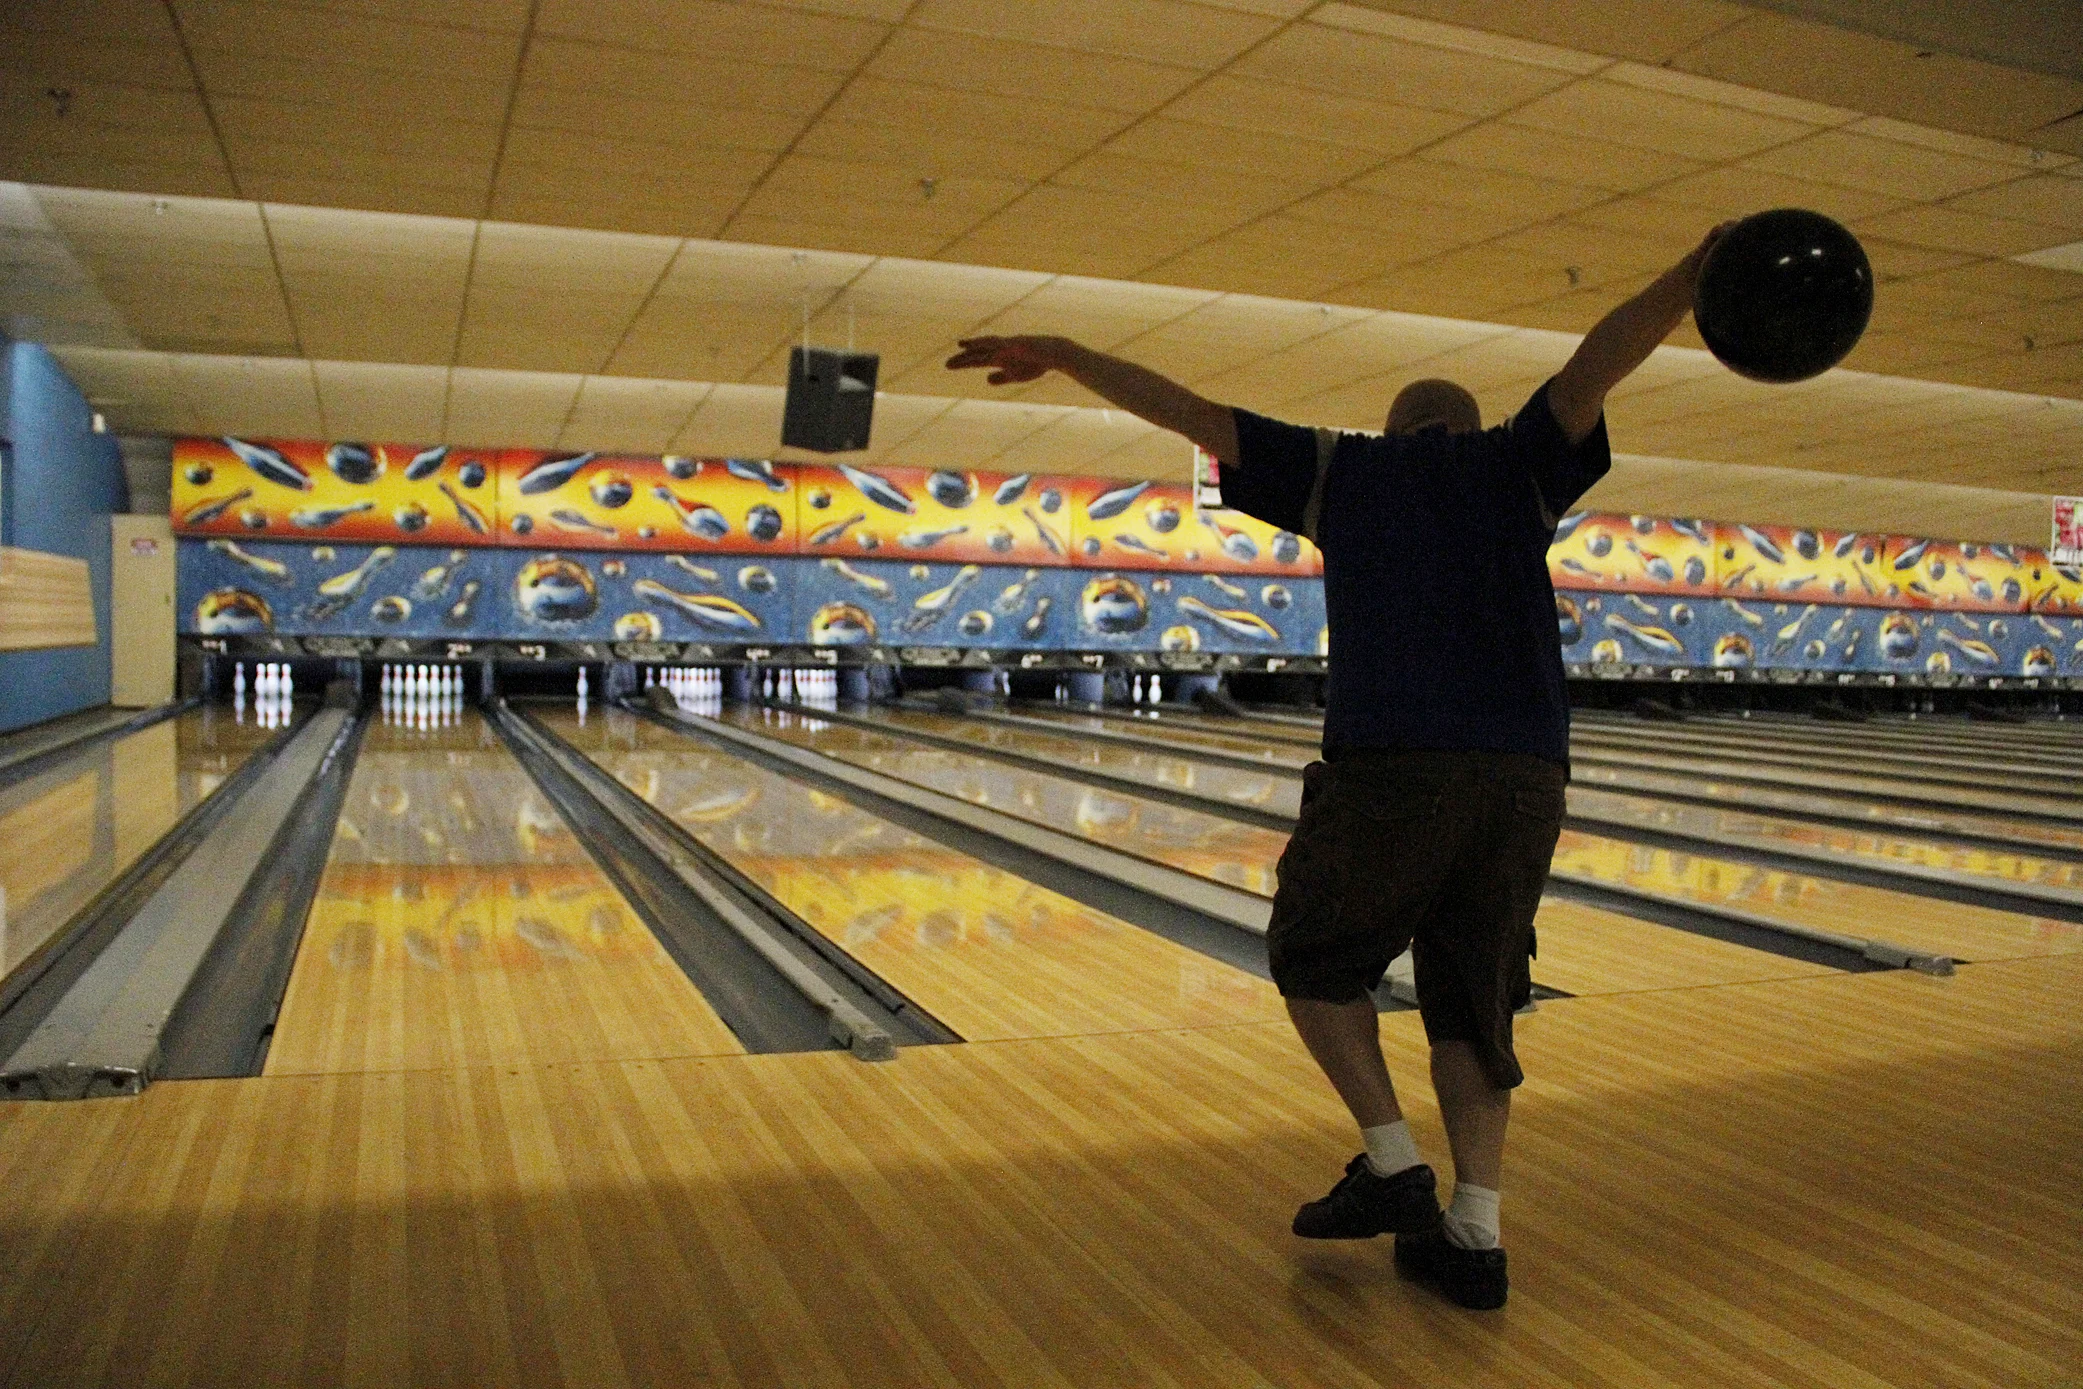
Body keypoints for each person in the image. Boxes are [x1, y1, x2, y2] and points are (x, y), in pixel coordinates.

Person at [947, 224, 1726, 1311]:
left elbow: (1186, 411)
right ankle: (1475, 1234)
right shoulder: (1517, 467)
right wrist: (1691, 277)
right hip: (1527, 776)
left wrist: (1067, 352)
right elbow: (1601, 360)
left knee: (1313, 955)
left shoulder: (1341, 470)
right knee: (1474, 1004)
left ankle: (1393, 1161)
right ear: (1463, 425)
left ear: (1392, 426)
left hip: (1393, 763)